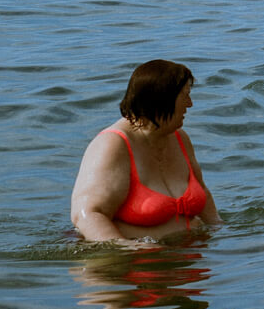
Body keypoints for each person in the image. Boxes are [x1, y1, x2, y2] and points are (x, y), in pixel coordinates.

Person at [70, 60, 220, 241]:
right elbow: (87, 215)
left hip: (186, 258)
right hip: (134, 263)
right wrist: (127, 247)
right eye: (185, 96)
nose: (190, 104)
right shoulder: (112, 144)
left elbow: (203, 193)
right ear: (163, 99)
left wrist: (221, 231)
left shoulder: (180, 139)